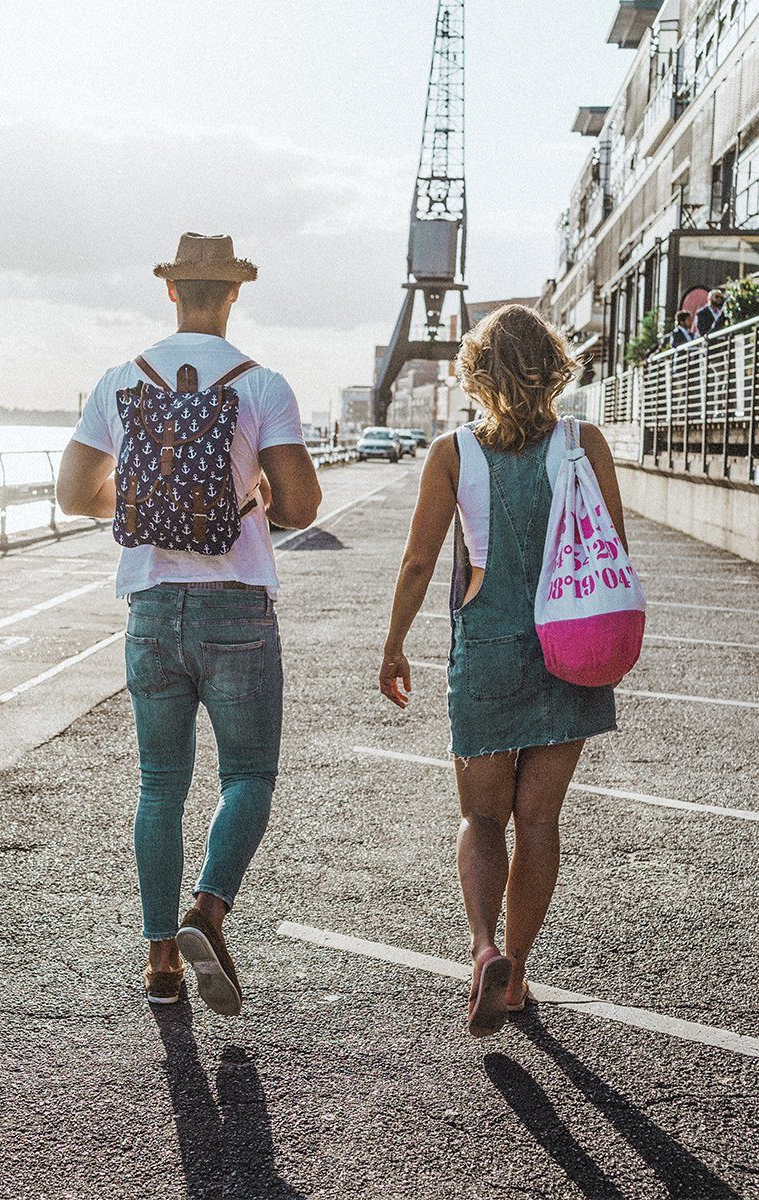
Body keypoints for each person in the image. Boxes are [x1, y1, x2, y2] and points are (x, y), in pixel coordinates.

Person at [57, 232, 321, 1016]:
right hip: (237, 603)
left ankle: (160, 963)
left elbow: (74, 493)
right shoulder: (262, 383)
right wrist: (255, 500)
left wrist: (140, 507)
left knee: (160, 786)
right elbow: (303, 506)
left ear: (171, 292)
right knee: (247, 778)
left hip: (148, 607)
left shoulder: (119, 380)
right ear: (232, 295)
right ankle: (206, 911)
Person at [378, 304, 629, 1039]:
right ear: (553, 366)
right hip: (570, 646)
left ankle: (483, 946)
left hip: (487, 645)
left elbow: (421, 560)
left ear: (476, 372)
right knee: (540, 819)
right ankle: (517, 973)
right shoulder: (586, 444)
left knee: (481, 816)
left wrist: (395, 643)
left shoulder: (455, 453)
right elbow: (607, 546)